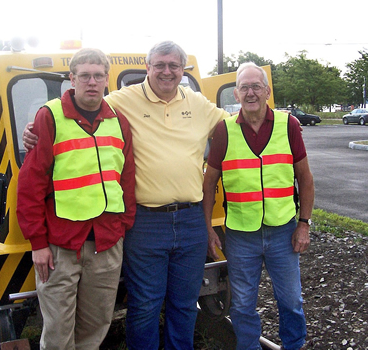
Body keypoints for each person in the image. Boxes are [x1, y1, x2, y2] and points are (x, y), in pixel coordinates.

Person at [23, 41, 229, 350]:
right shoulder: (121, 102)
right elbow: (75, 112)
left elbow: (235, 127)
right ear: (148, 67)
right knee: (144, 306)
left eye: (174, 66)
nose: (166, 71)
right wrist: (35, 130)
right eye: (159, 64)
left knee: (184, 304)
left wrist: (281, 123)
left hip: (188, 220)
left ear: (182, 71)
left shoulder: (197, 104)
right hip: (141, 223)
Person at [16, 48, 136, 350]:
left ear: (107, 80)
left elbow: (127, 179)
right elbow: (31, 185)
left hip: (107, 243)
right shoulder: (50, 117)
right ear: (72, 79)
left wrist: (123, 225)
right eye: (85, 76)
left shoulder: (119, 122)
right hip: (60, 245)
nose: (92, 82)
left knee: (96, 326)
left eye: (98, 76)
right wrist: (38, 244)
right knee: (58, 331)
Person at [203, 62, 314, 350]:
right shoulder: (224, 130)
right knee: (241, 304)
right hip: (241, 234)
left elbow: (305, 178)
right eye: (244, 87)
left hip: (283, 231)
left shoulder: (288, 125)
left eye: (256, 86)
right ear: (236, 95)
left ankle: (294, 345)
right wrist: (207, 228)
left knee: (291, 300)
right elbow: (208, 184)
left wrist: (304, 224)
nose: (250, 92)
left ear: (266, 91)